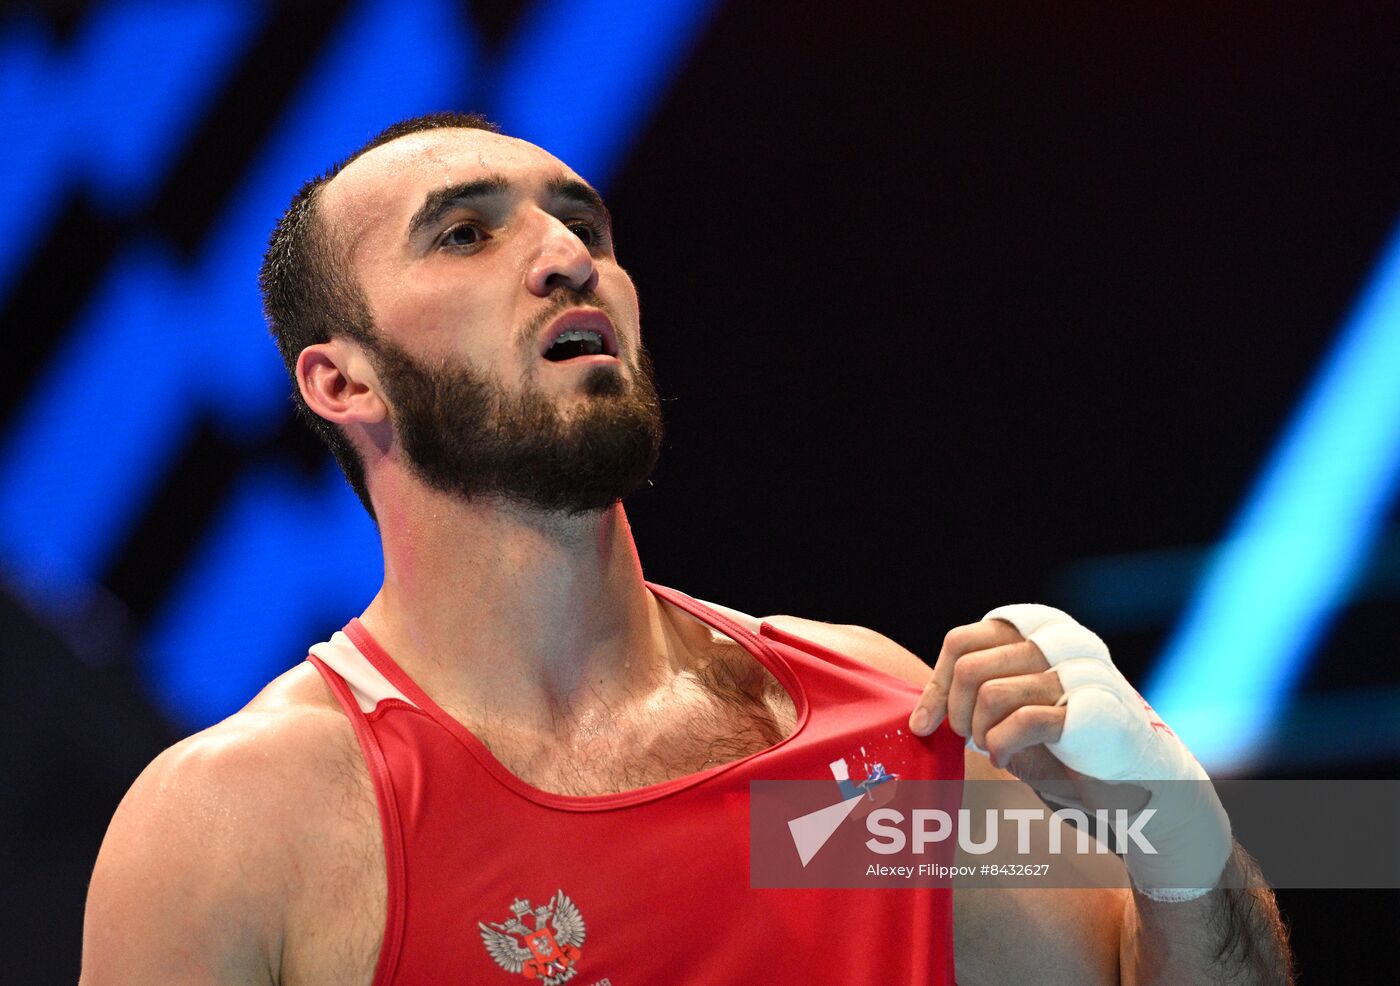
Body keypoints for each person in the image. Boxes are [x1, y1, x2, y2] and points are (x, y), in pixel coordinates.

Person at [80, 113, 1293, 984]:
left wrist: (1177, 842)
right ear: (340, 378)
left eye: (580, 222)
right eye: (464, 234)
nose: (565, 255)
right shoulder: (242, 827)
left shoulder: (854, 759)